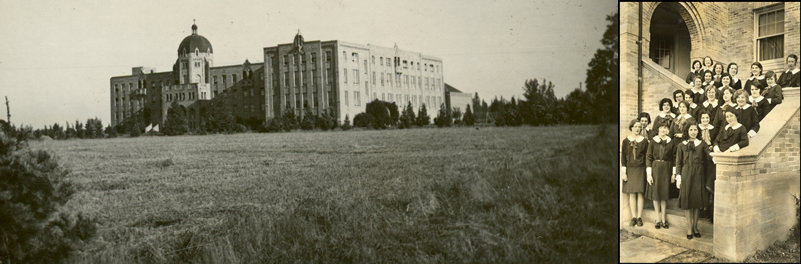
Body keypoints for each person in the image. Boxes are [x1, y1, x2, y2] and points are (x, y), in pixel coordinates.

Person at [676, 121, 709, 239]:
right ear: (687, 131)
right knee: (688, 202)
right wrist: (678, 176)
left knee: (696, 202)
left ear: (698, 131)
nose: (693, 132)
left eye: (695, 130)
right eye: (691, 130)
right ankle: (689, 228)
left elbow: (709, 157)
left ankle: (695, 227)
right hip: (686, 174)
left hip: (699, 174)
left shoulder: (702, 144)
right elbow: (678, 162)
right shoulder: (681, 145)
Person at [646, 122, 677, 230]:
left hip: (666, 169)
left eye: (665, 128)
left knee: (664, 194)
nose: (663, 130)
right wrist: (649, 174)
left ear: (668, 130)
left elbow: (674, 158)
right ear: (658, 129)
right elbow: (649, 157)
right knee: (656, 194)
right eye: (661, 128)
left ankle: (663, 218)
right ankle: (657, 218)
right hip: (655, 168)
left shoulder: (671, 142)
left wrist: (673, 173)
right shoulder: (653, 142)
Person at [622, 119, 648, 227]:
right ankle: (633, 217)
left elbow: (647, 157)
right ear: (631, 127)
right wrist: (624, 172)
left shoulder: (644, 141)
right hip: (630, 169)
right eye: (635, 126)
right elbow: (623, 158)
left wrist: (648, 171)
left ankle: (639, 217)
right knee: (632, 193)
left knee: (640, 193)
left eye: (639, 127)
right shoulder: (625, 141)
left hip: (641, 169)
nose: (637, 129)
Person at [697, 110, 718, 222]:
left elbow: (716, 141)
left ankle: (709, 209)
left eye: (707, 118)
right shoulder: (697, 128)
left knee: (708, 183)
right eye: (703, 118)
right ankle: (701, 208)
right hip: (700, 157)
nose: (705, 120)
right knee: (700, 182)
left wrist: (713, 147)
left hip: (709, 158)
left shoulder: (713, 129)